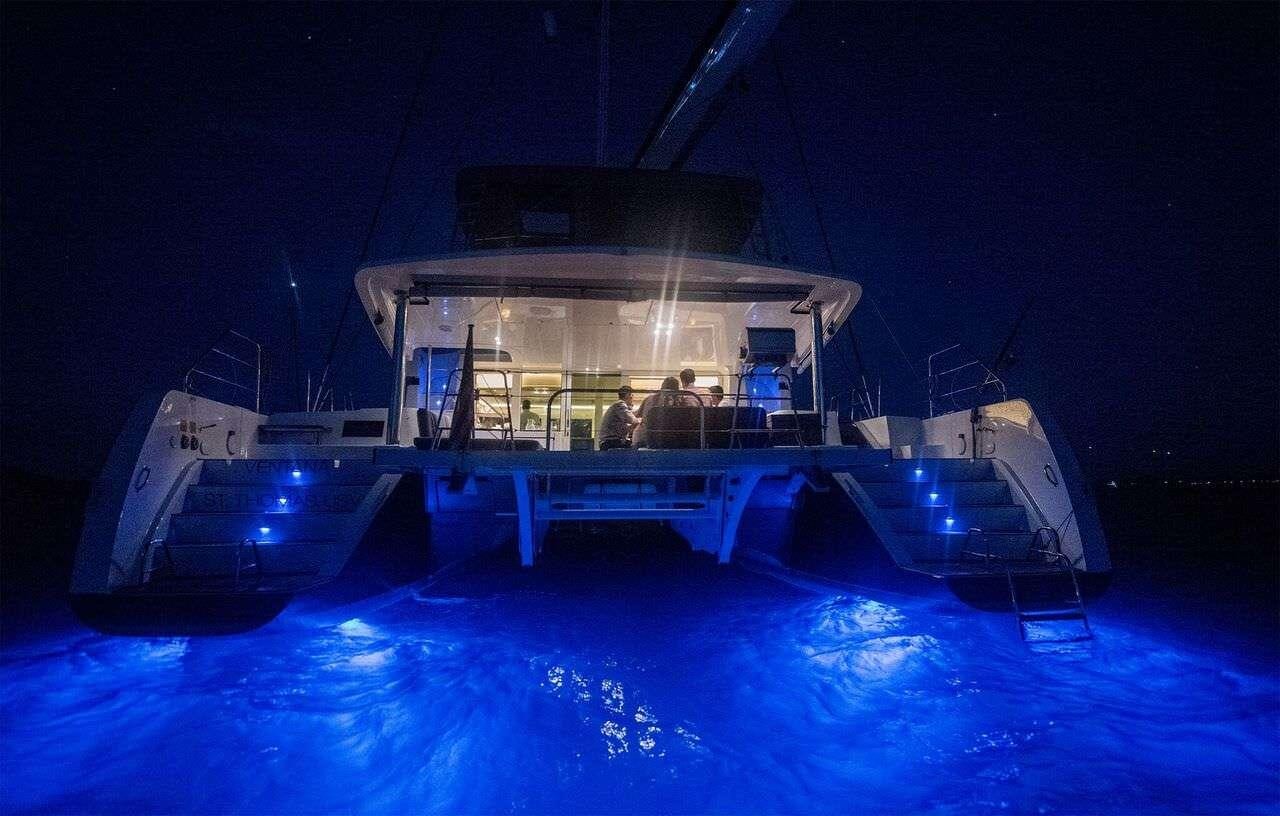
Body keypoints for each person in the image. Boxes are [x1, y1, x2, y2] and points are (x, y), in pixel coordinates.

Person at [598, 386, 641, 450]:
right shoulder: (620, 404)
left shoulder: (618, 409)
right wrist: (640, 420)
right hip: (611, 442)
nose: (632, 398)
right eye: (632, 395)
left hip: (609, 442)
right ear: (628, 395)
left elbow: (626, 429)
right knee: (637, 447)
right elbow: (633, 420)